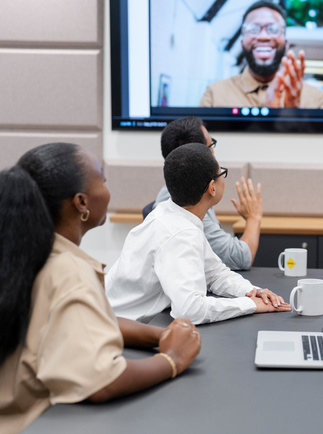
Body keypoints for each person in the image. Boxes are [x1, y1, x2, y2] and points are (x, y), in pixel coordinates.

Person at [0, 143, 201, 432]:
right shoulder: (68, 272)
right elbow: (102, 381)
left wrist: (161, 335)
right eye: (103, 179)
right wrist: (173, 359)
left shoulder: (25, 252)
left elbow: (83, 321)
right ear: (81, 202)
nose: (107, 188)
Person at [106, 143, 291, 324]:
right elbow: (190, 311)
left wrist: (252, 291)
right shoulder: (181, 234)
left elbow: (215, 273)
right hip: (111, 330)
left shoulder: (172, 212)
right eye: (222, 173)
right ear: (212, 188)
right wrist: (249, 304)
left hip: (112, 318)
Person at [154, 116, 261, 270]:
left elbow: (215, 271)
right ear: (198, 156)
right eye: (211, 145)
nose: (213, 154)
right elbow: (240, 258)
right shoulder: (185, 205)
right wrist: (254, 217)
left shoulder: (187, 191)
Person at [200, 0, 323, 109]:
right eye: (253, 29)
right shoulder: (215, 95)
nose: (263, 36)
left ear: (286, 44)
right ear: (242, 43)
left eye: (273, 29)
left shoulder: (317, 100)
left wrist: (294, 115)